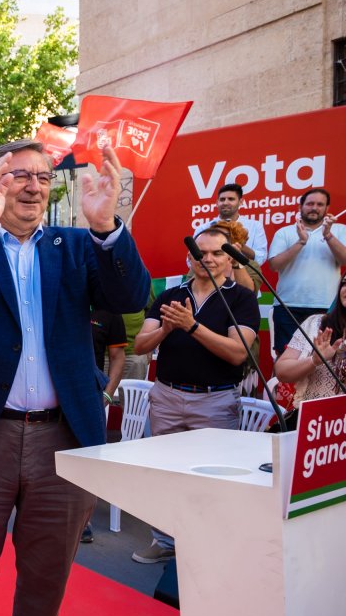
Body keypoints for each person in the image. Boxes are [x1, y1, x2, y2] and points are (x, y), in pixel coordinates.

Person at [0, 140, 150, 616]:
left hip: (63, 439)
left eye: (43, 177)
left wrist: (106, 227)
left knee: (47, 579)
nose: (32, 185)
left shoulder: (77, 247)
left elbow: (130, 296)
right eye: (17, 174)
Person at [130, 227, 258, 564]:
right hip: (167, 397)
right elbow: (140, 346)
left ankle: (206, 547)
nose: (208, 259)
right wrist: (166, 328)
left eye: (217, 253)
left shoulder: (240, 298)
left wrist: (191, 326)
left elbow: (237, 353)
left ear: (230, 258)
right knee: (164, 473)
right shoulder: (170, 295)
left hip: (214, 401)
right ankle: (164, 541)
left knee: (211, 478)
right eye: (201, 252)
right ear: (190, 256)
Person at [268, 188, 346, 352]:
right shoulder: (285, 232)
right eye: (310, 203)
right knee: (286, 358)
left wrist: (328, 235)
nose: (314, 208)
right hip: (288, 306)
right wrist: (301, 242)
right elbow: (274, 265)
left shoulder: (339, 230)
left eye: (320, 204)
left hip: (328, 307)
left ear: (327, 208)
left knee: (325, 358)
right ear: (300, 207)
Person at [82, 307, 127, 543]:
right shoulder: (58, 292)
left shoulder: (110, 310)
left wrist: (107, 396)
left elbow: (118, 356)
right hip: (50, 395)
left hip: (90, 397)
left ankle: (82, 520)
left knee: (87, 458)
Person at [274, 275, 346, 406]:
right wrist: (314, 361)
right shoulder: (316, 324)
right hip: (314, 421)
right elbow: (281, 372)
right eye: (345, 283)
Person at [194, 183, 268, 272]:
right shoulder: (204, 228)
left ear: (241, 202)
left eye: (231, 199)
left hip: (245, 277)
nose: (225, 203)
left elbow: (260, 258)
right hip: (212, 277)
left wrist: (238, 244)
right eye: (222, 199)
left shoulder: (255, 226)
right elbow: (190, 260)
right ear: (217, 202)